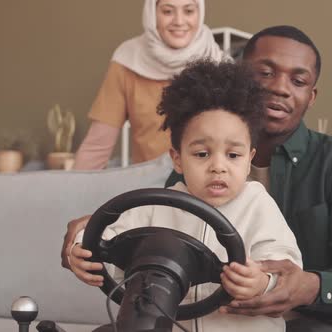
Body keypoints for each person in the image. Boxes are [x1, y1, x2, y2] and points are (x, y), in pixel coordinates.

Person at [63, 25, 332, 331]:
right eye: (265, 73)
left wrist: (298, 285)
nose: (280, 88)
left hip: (317, 320)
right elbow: (149, 239)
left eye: (298, 80)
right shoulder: (186, 183)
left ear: (311, 95)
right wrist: (87, 241)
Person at [68, 60, 303, 331]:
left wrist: (261, 282)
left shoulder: (258, 205)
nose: (218, 166)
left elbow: (285, 267)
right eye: (202, 154)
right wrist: (79, 248)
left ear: (249, 160)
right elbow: (104, 238)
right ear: (177, 159)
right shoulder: (154, 206)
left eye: (233, 155)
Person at [73, 0, 226, 169]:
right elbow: (97, 147)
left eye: (188, 11)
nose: (179, 21)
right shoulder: (127, 60)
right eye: (168, 11)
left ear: (200, 13)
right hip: (149, 188)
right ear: (152, 14)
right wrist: (72, 192)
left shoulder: (220, 63)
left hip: (207, 188)